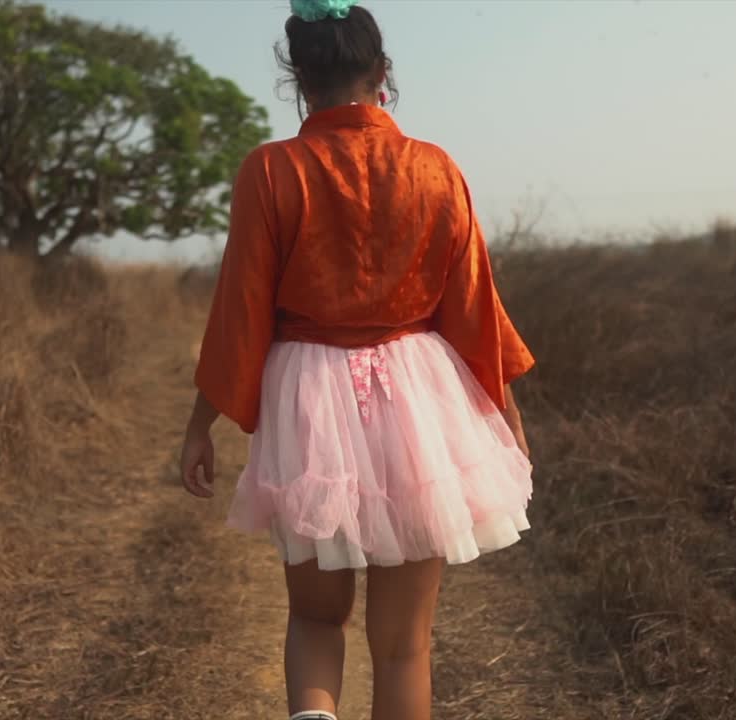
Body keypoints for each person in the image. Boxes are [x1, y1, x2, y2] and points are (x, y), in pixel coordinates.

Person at [178, 1, 535, 718]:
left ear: (298, 79)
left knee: (316, 619)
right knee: (404, 647)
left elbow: (241, 310)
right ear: (383, 73)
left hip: (309, 398)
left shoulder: (270, 170)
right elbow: (474, 310)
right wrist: (508, 421)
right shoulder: (435, 168)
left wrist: (200, 425)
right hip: (418, 404)